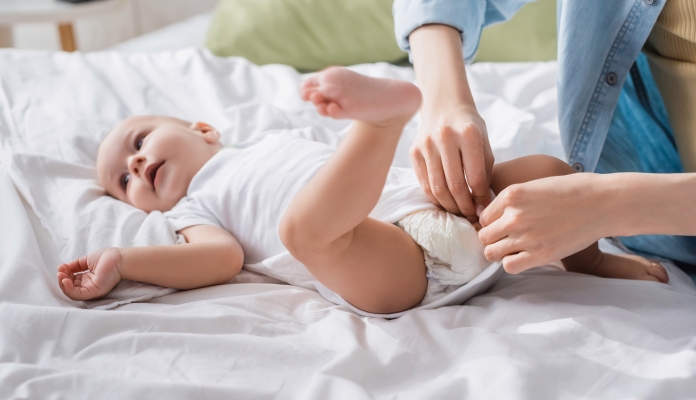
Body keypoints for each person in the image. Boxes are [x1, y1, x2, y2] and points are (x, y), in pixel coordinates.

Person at [56, 67, 667, 315]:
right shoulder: (192, 208)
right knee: (304, 230)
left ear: (202, 128)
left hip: (441, 206)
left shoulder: (269, 138)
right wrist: (125, 261)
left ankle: (592, 259)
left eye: (139, 142)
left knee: (547, 168)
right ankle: (380, 122)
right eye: (123, 181)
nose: (136, 165)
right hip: (391, 267)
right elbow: (219, 258)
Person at [393, 0, 696, 277]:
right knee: (541, 174)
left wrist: (609, 206)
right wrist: (445, 100)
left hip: (652, 210)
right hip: (652, 179)